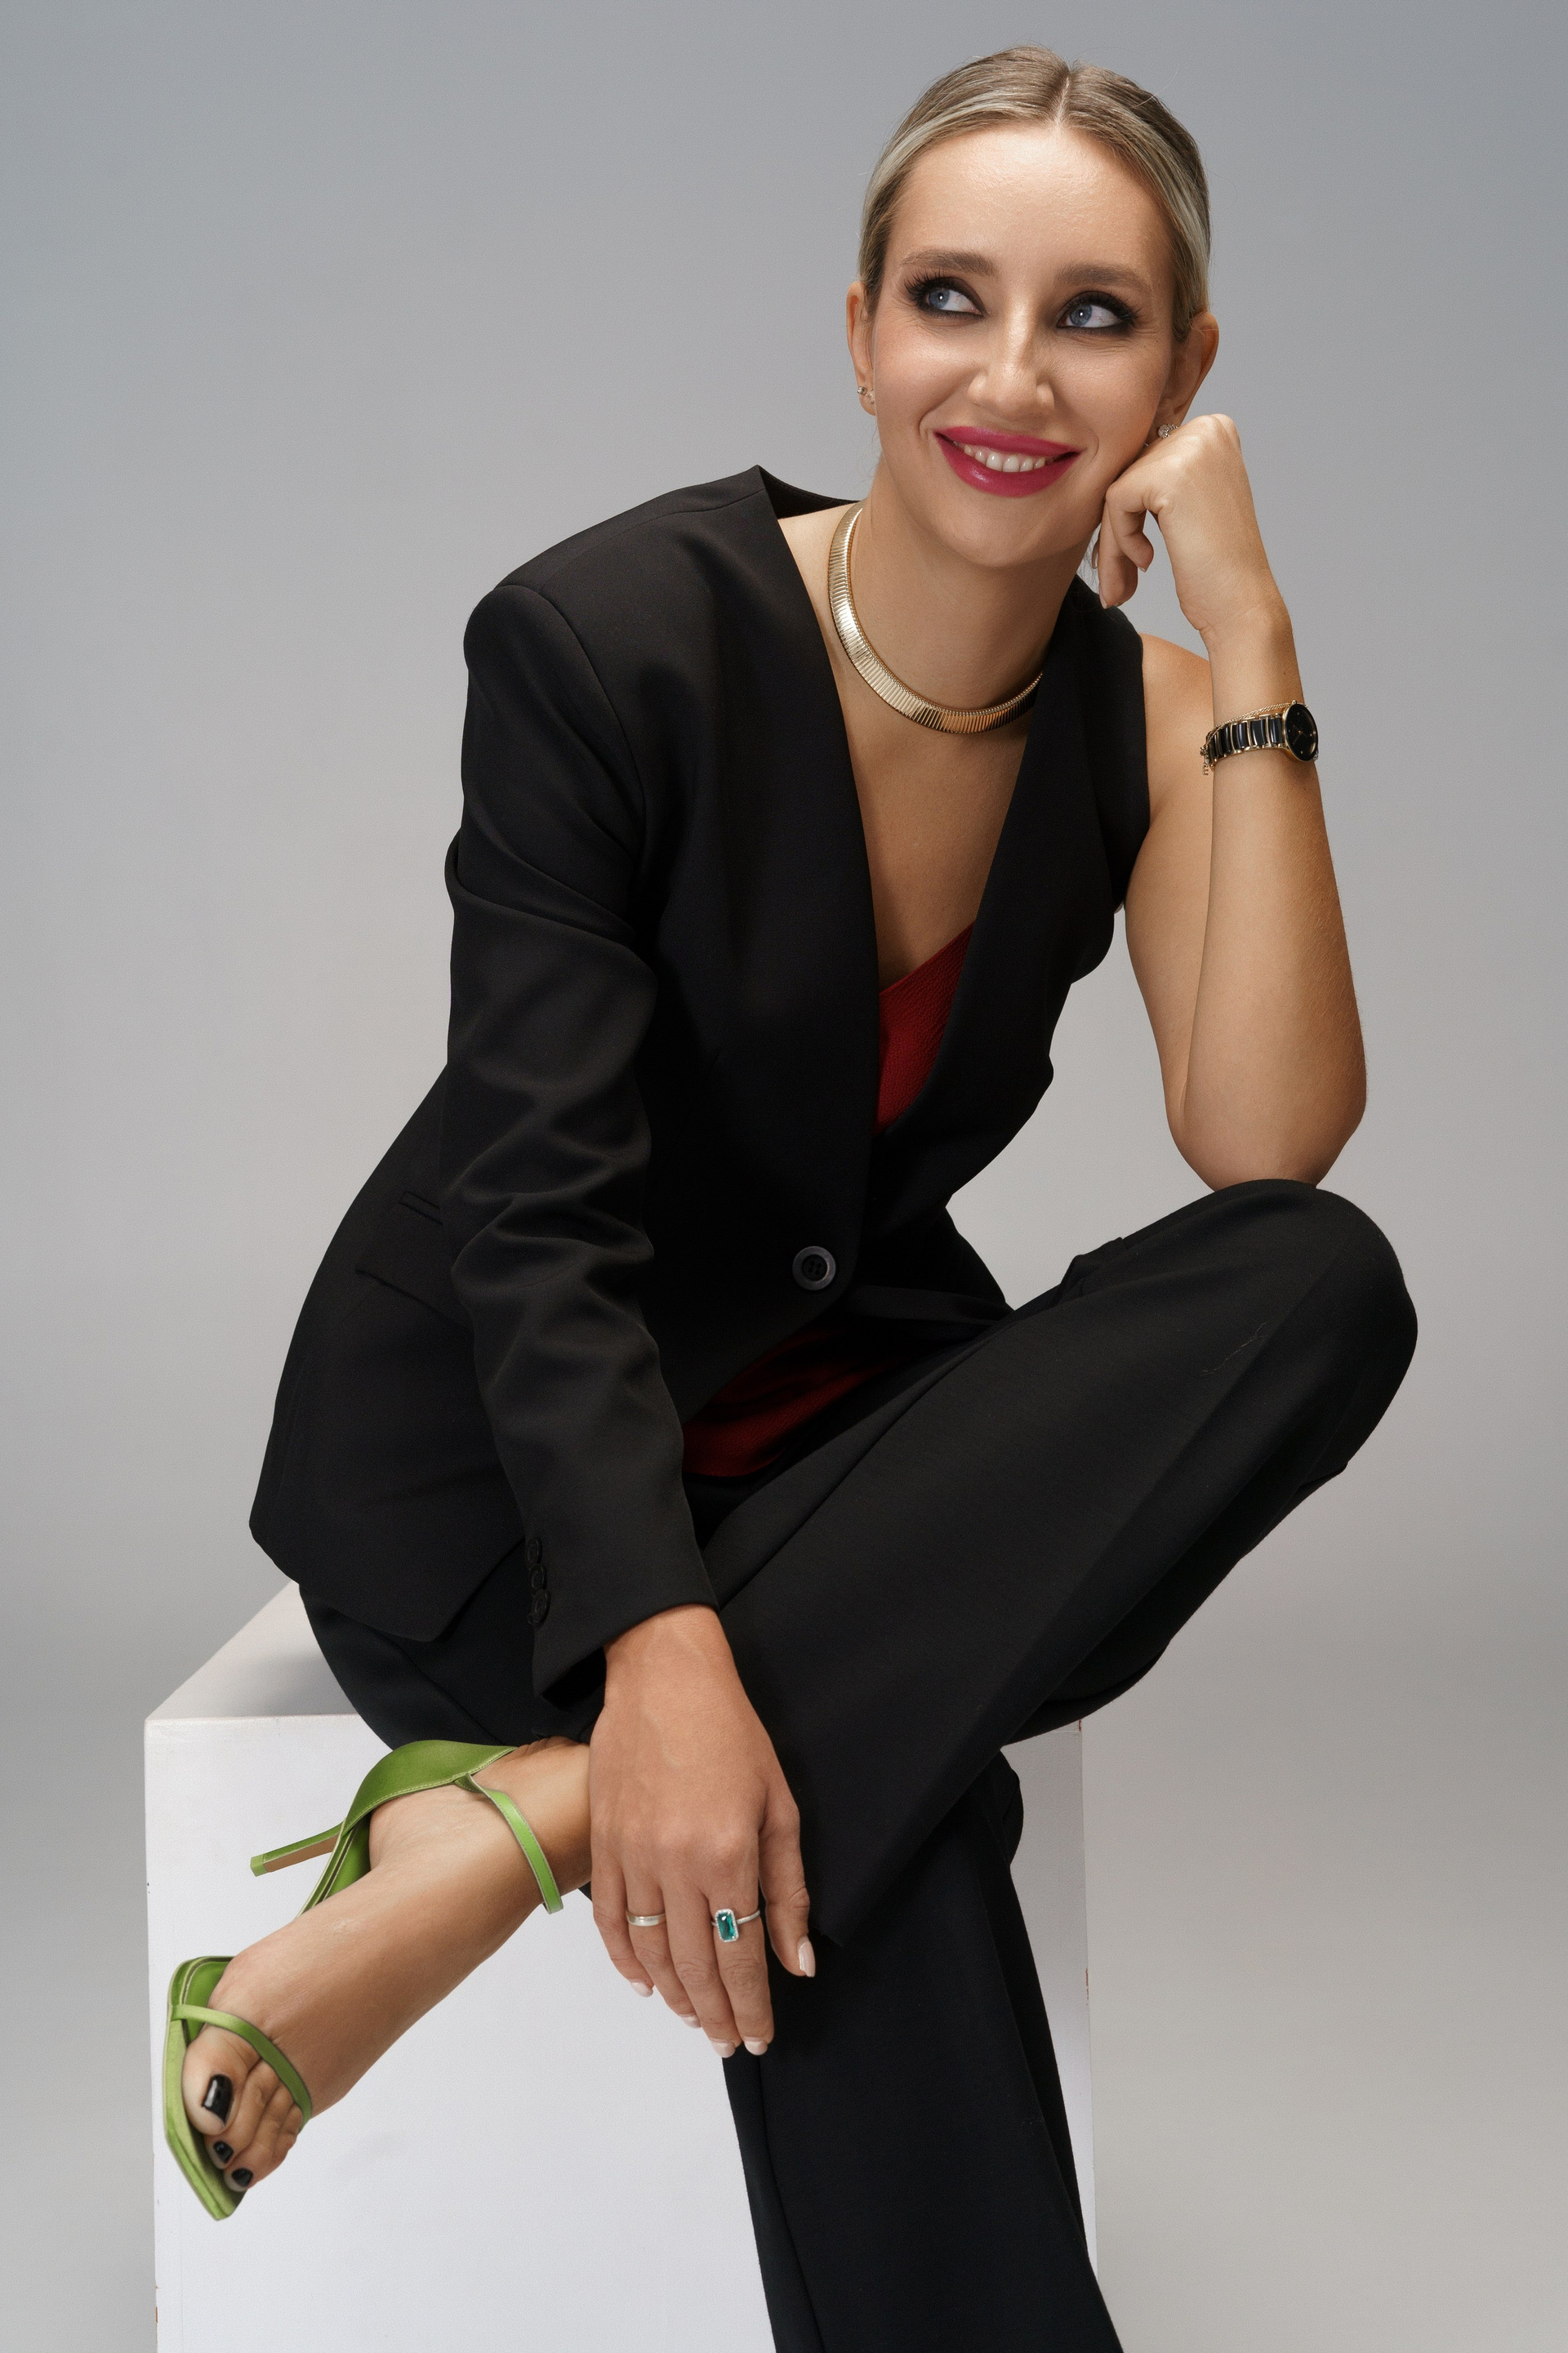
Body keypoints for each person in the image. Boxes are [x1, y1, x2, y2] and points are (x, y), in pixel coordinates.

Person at [166, 45, 1416, 2351]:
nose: (1012, 378)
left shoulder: (1141, 716)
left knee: (1323, 1284)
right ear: (858, 333)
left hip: (841, 1424)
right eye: (951, 298)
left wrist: (1252, 639)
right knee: (887, 1823)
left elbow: (1269, 1144)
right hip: (504, 1479)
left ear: (1187, 370)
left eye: (1095, 317)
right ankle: (573, 1769)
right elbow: (537, 1218)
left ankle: (505, 1837)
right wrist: (657, 1658)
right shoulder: (606, 644)